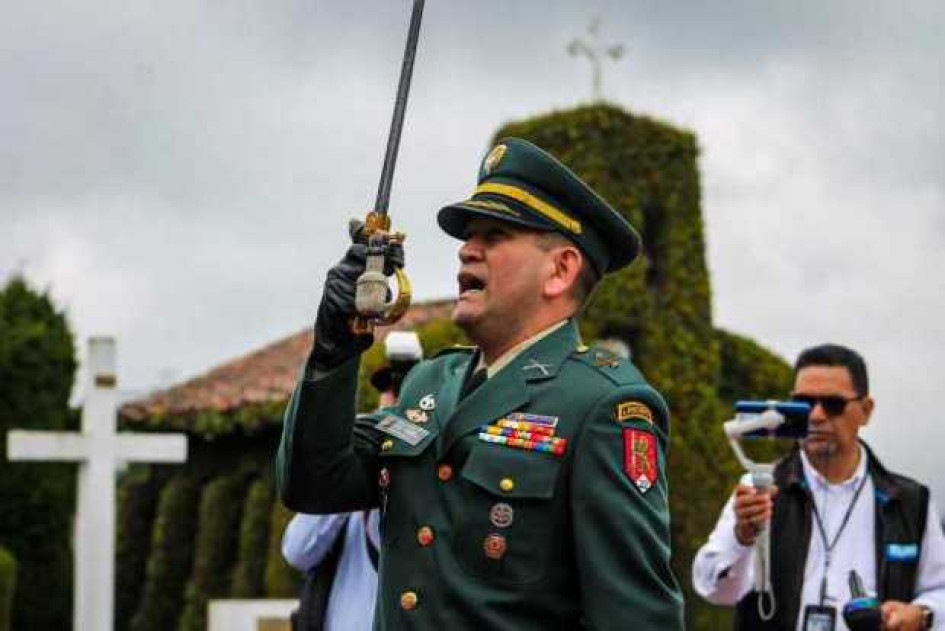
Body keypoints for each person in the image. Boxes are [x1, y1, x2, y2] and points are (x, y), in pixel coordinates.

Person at [276, 137, 684, 630]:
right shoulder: (429, 384)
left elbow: (636, 619)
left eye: (494, 236)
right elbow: (313, 482)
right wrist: (335, 344)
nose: (466, 251)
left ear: (560, 270)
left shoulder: (603, 405)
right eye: (469, 236)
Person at [693, 343, 945, 630]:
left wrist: (923, 614)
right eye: (803, 403)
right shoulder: (759, 489)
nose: (816, 415)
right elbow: (714, 589)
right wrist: (742, 538)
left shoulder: (909, 501)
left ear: (865, 410)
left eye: (833, 404)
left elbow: (940, 590)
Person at [283, 332, 423, 631]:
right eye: (386, 386)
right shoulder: (355, 454)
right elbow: (297, 551)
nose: (392, 397)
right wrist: (350, 466)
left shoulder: (428, 473)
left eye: (403, 388)